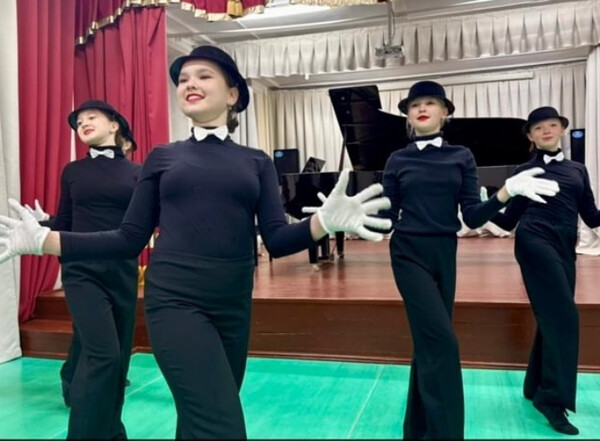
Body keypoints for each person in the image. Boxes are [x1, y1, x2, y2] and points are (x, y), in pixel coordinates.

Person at [0, 45, 391, 439]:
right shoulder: (162, 158)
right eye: (184, 79)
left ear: (233, 94)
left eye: (203, 76)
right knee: (220, 425)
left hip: (233, 305)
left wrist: (322, 223)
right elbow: (128, 238)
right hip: (175, 302)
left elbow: (276, 239)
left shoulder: (256, 161)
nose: (190, 83)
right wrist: (46, 240)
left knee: (197, 420)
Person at [381, 81, 560, 439]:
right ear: (408, 116)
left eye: (430, 103)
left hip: (445, 253)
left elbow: (474, 217)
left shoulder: (461, 156)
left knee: (428, 342)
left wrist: (506, 193)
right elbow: (387, 215)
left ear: (445, 112)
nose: (422, 108)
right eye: (415, 105)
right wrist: (349, 217)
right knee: (443, 342)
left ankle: (417, 428)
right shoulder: (397, 159)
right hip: (407, 253)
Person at [22, 100, 142, 438]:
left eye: (91, 117)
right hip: (82, 271)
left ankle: (112, 431)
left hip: (122, 271)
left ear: (114, 125)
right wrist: (44, 223)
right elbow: (67, 222)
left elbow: (140, 226)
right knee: (104, 355)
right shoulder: (73, 171)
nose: (82, 123)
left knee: (119, 360)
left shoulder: (138, 173)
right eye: (78, 122)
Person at [489, 106, 598, 435]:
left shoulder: (578, 170)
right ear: (531, 136)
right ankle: (551, 400)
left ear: (562, 129)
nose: (546, 130)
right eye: (538, 127)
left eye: (552, 124)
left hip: (565, 248)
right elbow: (508, 221)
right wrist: (487, 204)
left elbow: (591, 216)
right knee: (565, 317)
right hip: (534, 242)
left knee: (553, 315)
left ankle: (535, 383)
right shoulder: (524, 171)